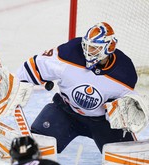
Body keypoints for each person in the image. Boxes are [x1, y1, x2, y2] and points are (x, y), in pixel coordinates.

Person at [15, 22, 139, 153]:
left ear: (108, 48)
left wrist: (124, 111)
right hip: (66, 112)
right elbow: (37, 65)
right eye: (87, 45)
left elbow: (128, 105)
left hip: (102, 122)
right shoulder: (70, 52)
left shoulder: (125, 72)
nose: (87, 51)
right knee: (36, 148)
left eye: (94, 48)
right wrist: (16, 84)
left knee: (124, 157)